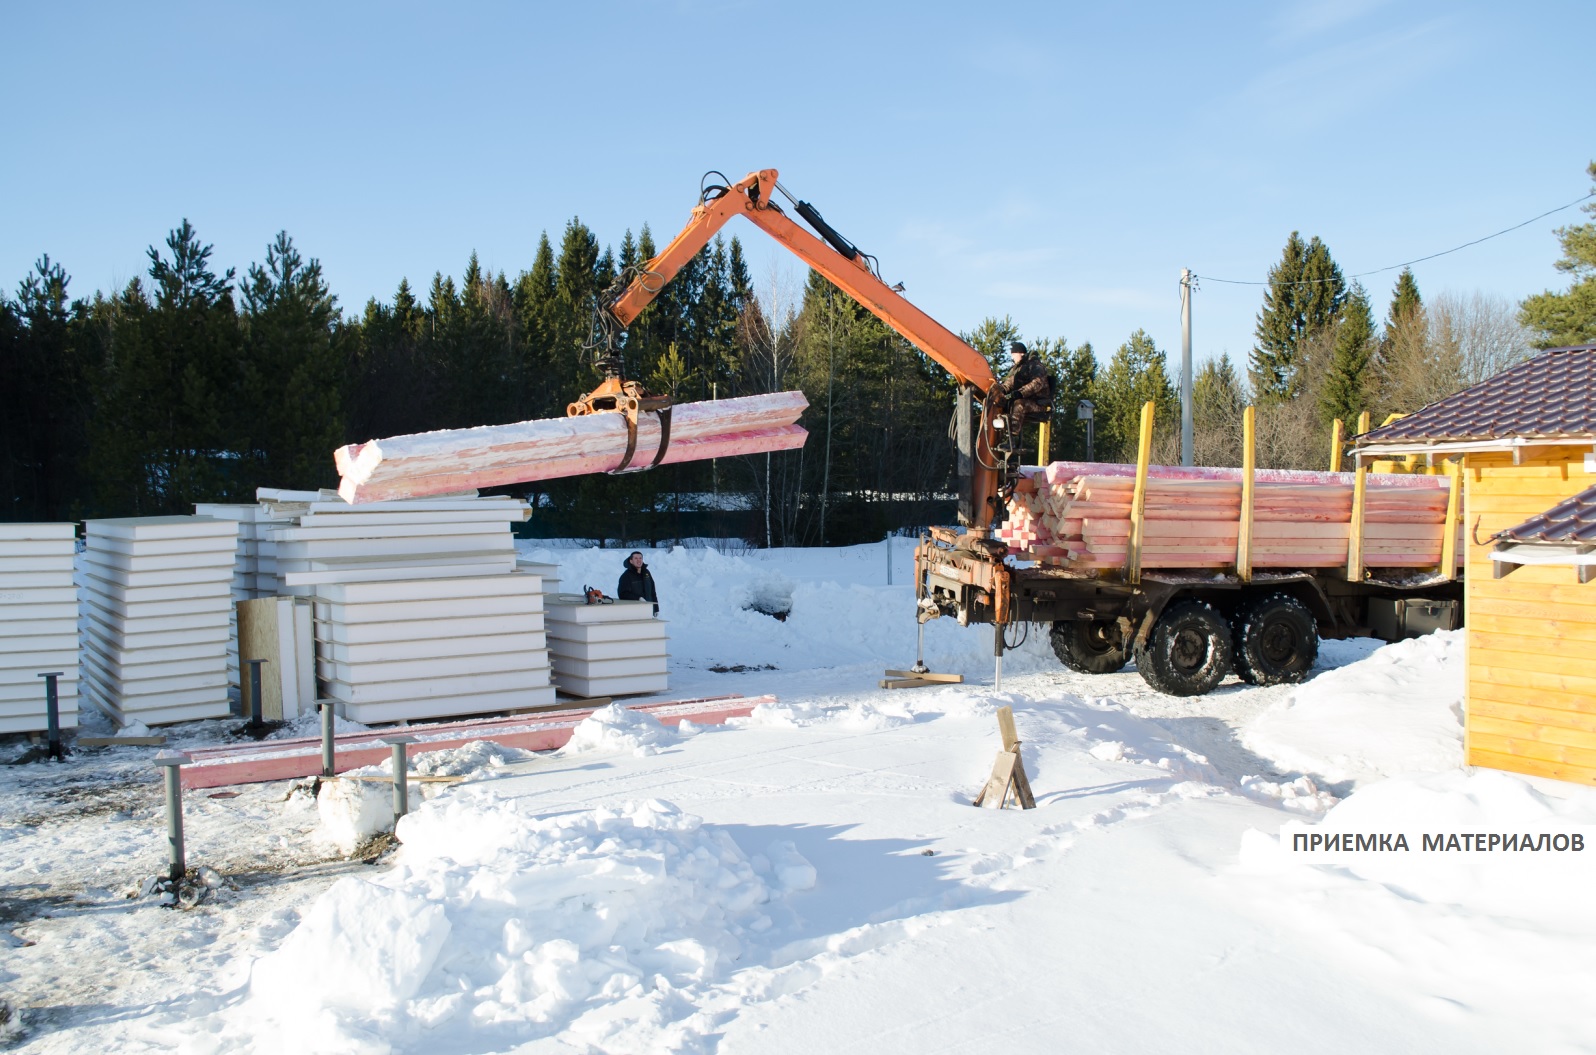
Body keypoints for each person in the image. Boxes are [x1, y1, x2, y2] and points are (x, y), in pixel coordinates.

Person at [998, 340, 1053, 444]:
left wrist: (1020, 393)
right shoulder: (1019, 368)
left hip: (1039, 403)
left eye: (1014, 355)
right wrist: (1000, 390)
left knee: (1019, 404)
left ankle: (1011, 439)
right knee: (1001, 405)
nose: (1013, 358)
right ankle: (1001, 436)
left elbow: (1038, 383)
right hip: (1028, 400)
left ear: (1021, 354)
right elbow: (1010, 383)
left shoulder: (1035, 366)